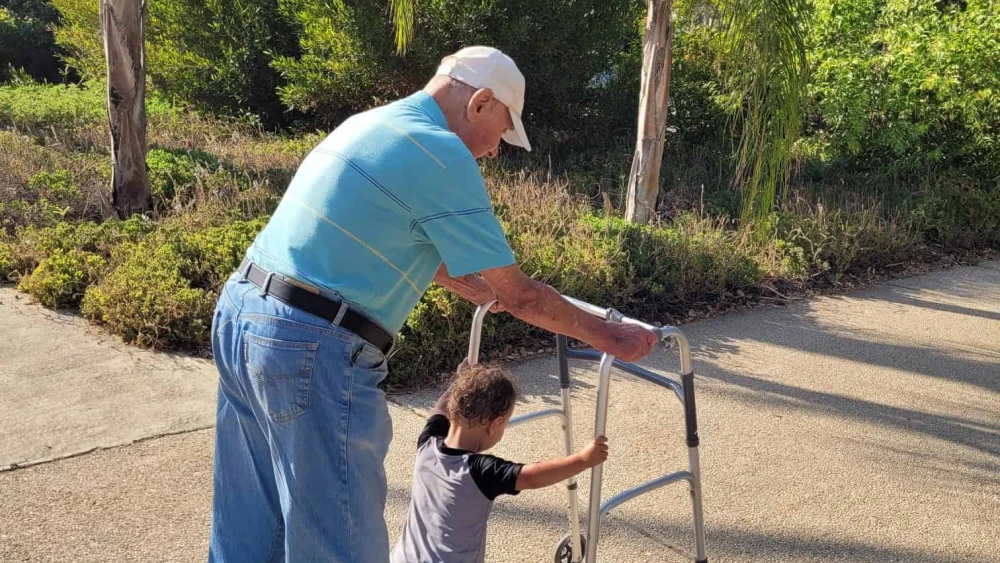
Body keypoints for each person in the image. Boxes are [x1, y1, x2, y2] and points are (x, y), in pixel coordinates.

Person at [208, 45, 657, 562]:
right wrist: (611, 336)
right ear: (481, 102)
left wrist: (453, 277)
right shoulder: (440, 152)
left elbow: (372, 230)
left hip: (245, 314)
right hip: (311, 345)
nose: (494, 152)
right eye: (503, 133)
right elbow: (520, 295)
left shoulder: (372, 123)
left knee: (249, 529)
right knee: (337, 542)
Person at [391, 362, 607, 563]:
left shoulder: (427, 443)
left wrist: (458, 383)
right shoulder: (479, 472)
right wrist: (582, 459)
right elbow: (531, 476)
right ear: (495, 424)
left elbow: (439, 409)